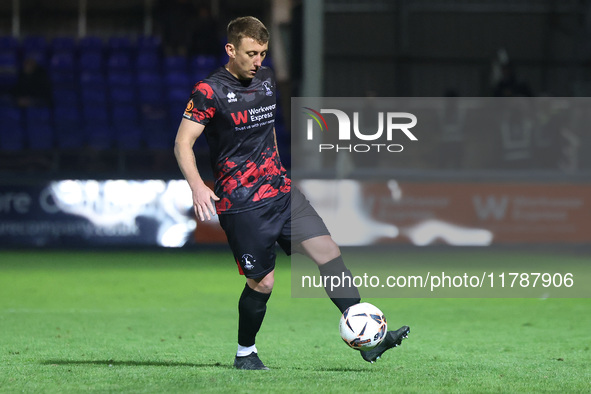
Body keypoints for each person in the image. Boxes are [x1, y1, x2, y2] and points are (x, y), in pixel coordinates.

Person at [174, 16, 410, 370]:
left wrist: (278, 169)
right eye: (251, 53)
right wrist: (197, 186)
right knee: (264, 282)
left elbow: (267, 131)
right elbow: (182, 142)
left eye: (263, 53)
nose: (258, 61)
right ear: (231, 49)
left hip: (281, 193)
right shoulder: (209, 91)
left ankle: (367, 339)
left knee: (328, 251)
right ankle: (245, 354)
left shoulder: (266, 80)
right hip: (243, 204)